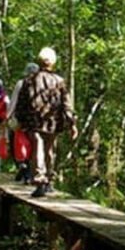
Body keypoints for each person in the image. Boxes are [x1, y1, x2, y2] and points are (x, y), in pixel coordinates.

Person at [14, 47, 77, 198]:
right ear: (53, 63)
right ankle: (48, 180)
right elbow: (67, 105)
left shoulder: (29, 81)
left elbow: (21, 104)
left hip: (34, 122)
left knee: (38, 148)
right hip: (53, 123)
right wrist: (72, 124)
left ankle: (40, 180)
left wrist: (21, 121)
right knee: (49, 150)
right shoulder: (59, 81)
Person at [8, 62, 40, 183]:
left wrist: (8, 116)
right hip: (36, 121)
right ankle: (29, 173)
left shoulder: (21, 83)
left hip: (21, 120)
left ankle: (23, 167)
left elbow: (14, 101)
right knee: (33, 146)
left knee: (16, 144)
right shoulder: (40, 83)